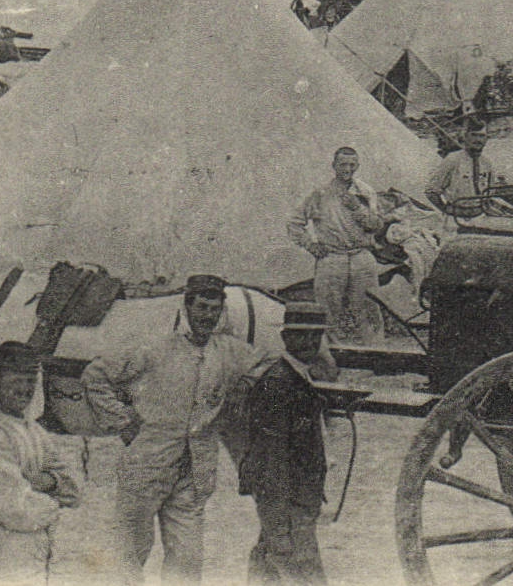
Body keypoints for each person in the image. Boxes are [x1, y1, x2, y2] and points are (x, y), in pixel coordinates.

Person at [82, 275, 269, 585]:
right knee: (129, 554)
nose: (208, 316)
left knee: (187, 561)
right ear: (187, 307)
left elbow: (268, 362)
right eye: (202, 307)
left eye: (215, 309)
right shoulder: (156, 347)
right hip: (146, 466)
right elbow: (95, 375)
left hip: (194, 475)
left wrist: (245, 385)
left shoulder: (229, 351)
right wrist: (123, 421)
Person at [0, 342, 83, 585]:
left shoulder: (35, 432)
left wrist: (46, 482)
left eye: (30, 382)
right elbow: (18, 511)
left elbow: (75, 488)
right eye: (16, 381)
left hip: (32, 558)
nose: (25, 389)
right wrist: (54, 501)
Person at [240, 304, 334, 586]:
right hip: (288, 505)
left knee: (266, 571)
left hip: (298, 500)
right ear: (285, 337)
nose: (308, 343)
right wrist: (278, 526)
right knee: (306, 575)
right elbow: (270, 462)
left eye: (315, 337)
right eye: (300, 336)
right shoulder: (278, 385)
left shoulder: (298, 377)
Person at [288, 147, 387, 343]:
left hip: (361, 255)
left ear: (357, 166)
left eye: (352, 165)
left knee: (370, 306)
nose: (347, 169)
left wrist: (356, 207)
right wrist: (311, 245)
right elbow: (294, 222)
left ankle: (377, 352)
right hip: (332, 257)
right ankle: (329, 356)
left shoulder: (365, 192)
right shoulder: (321, 193)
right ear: (334, 166)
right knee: (327, 308)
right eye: (343, 164)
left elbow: (376, 225)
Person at [423, 120, 504, 213]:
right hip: (457, 216)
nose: (478, 140)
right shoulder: (452, 160)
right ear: (465, 137)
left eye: (481, 136)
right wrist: (446, 210)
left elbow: (490, 191)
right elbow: (431, 191)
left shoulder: (486, 163)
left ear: (486, 139)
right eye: (473, 135)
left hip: (480, 216)